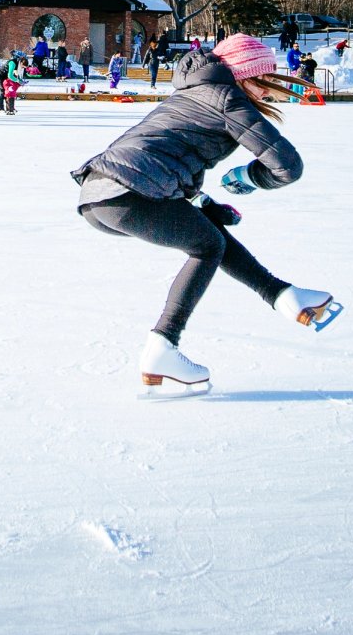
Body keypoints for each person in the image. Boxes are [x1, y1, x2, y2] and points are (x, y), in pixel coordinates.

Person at [73, 33, 337, 396]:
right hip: (129, 191)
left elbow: (167, 159)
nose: (267, 92)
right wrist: (249, 175)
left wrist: (207, 206)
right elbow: (287, 166)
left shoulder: (191, 93)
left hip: (100, 194)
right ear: (245, 75)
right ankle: (162, 348)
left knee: (209, 234)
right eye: (264, 80)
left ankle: (285, 296)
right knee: (207, 246)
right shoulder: (227, 98)